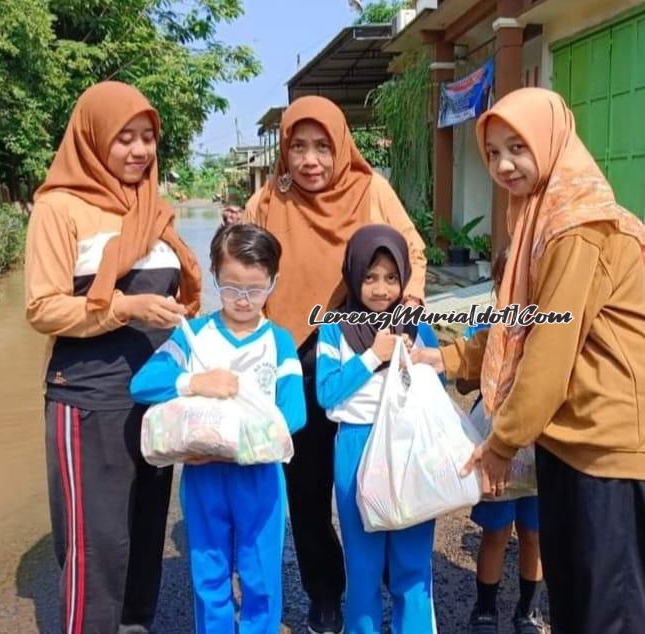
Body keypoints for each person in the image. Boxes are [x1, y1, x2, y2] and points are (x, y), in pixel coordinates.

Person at [412, 87, 645, 633]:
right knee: (576, 598)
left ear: (552, 141)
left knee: (612, 608)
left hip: (615, 436)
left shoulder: (574, 226)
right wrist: (450, 358)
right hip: (575, 432)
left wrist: (502, 442)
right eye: (492, 153)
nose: (503, 164)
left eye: (518, 146)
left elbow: (549, 349)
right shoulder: (538, 216)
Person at [230, 96, 427, 634]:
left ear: (341, 146)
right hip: (294, 357)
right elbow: (245, 270)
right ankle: (326, 592)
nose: (310, 160)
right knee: (308, 483)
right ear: (285, 152)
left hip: (364, 349)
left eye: (322, 146)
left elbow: (413, 251)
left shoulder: (370, 191)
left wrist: (404, 316)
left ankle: (392, 583)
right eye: (298, 147)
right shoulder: (267, 201)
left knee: (377, 467)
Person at [24, 81, 202, 633]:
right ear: (94, 139)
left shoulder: (153, 205)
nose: (139, 150)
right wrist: (126, 308)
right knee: (94, 547)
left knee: (145, 534)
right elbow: (43, 307)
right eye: (124, 138)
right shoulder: (59, 208)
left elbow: (176, 298)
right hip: (88, 399)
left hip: (155, 396)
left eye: (148, 137)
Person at [131, 223, 306, 634]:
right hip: (204, 478)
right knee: (209, 578)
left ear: (273, 282)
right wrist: (193, 382)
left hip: (260, 479)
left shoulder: (279, 342)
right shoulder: (194, 337)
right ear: (214, 278)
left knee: (261, 578)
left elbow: (294, 414)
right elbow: (141, 384)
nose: (243, 300)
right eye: (230, 288)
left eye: (255, 289)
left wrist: (225, 443)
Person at [316, 225, 440, 633]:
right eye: (370, 277)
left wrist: (414, 359)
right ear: (353, 276)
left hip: (408, 448)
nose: (381, 288)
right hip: (356, 444)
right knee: (364, 567)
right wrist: (373, 356)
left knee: (412, 566)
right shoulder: (335, 327)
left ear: (404, 278)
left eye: (391, 277)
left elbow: (435, 394)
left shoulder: (418, 328)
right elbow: (328, 393)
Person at [458, 250, 544, 634]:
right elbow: (462, 379)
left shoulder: (549, 334)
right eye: (505, 282)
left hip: (540, 448)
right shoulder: (485, 329)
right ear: (496, 286)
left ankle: (528, 610)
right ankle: (485, 608)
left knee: (533, 533)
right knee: (495, 532)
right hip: (497, 444)